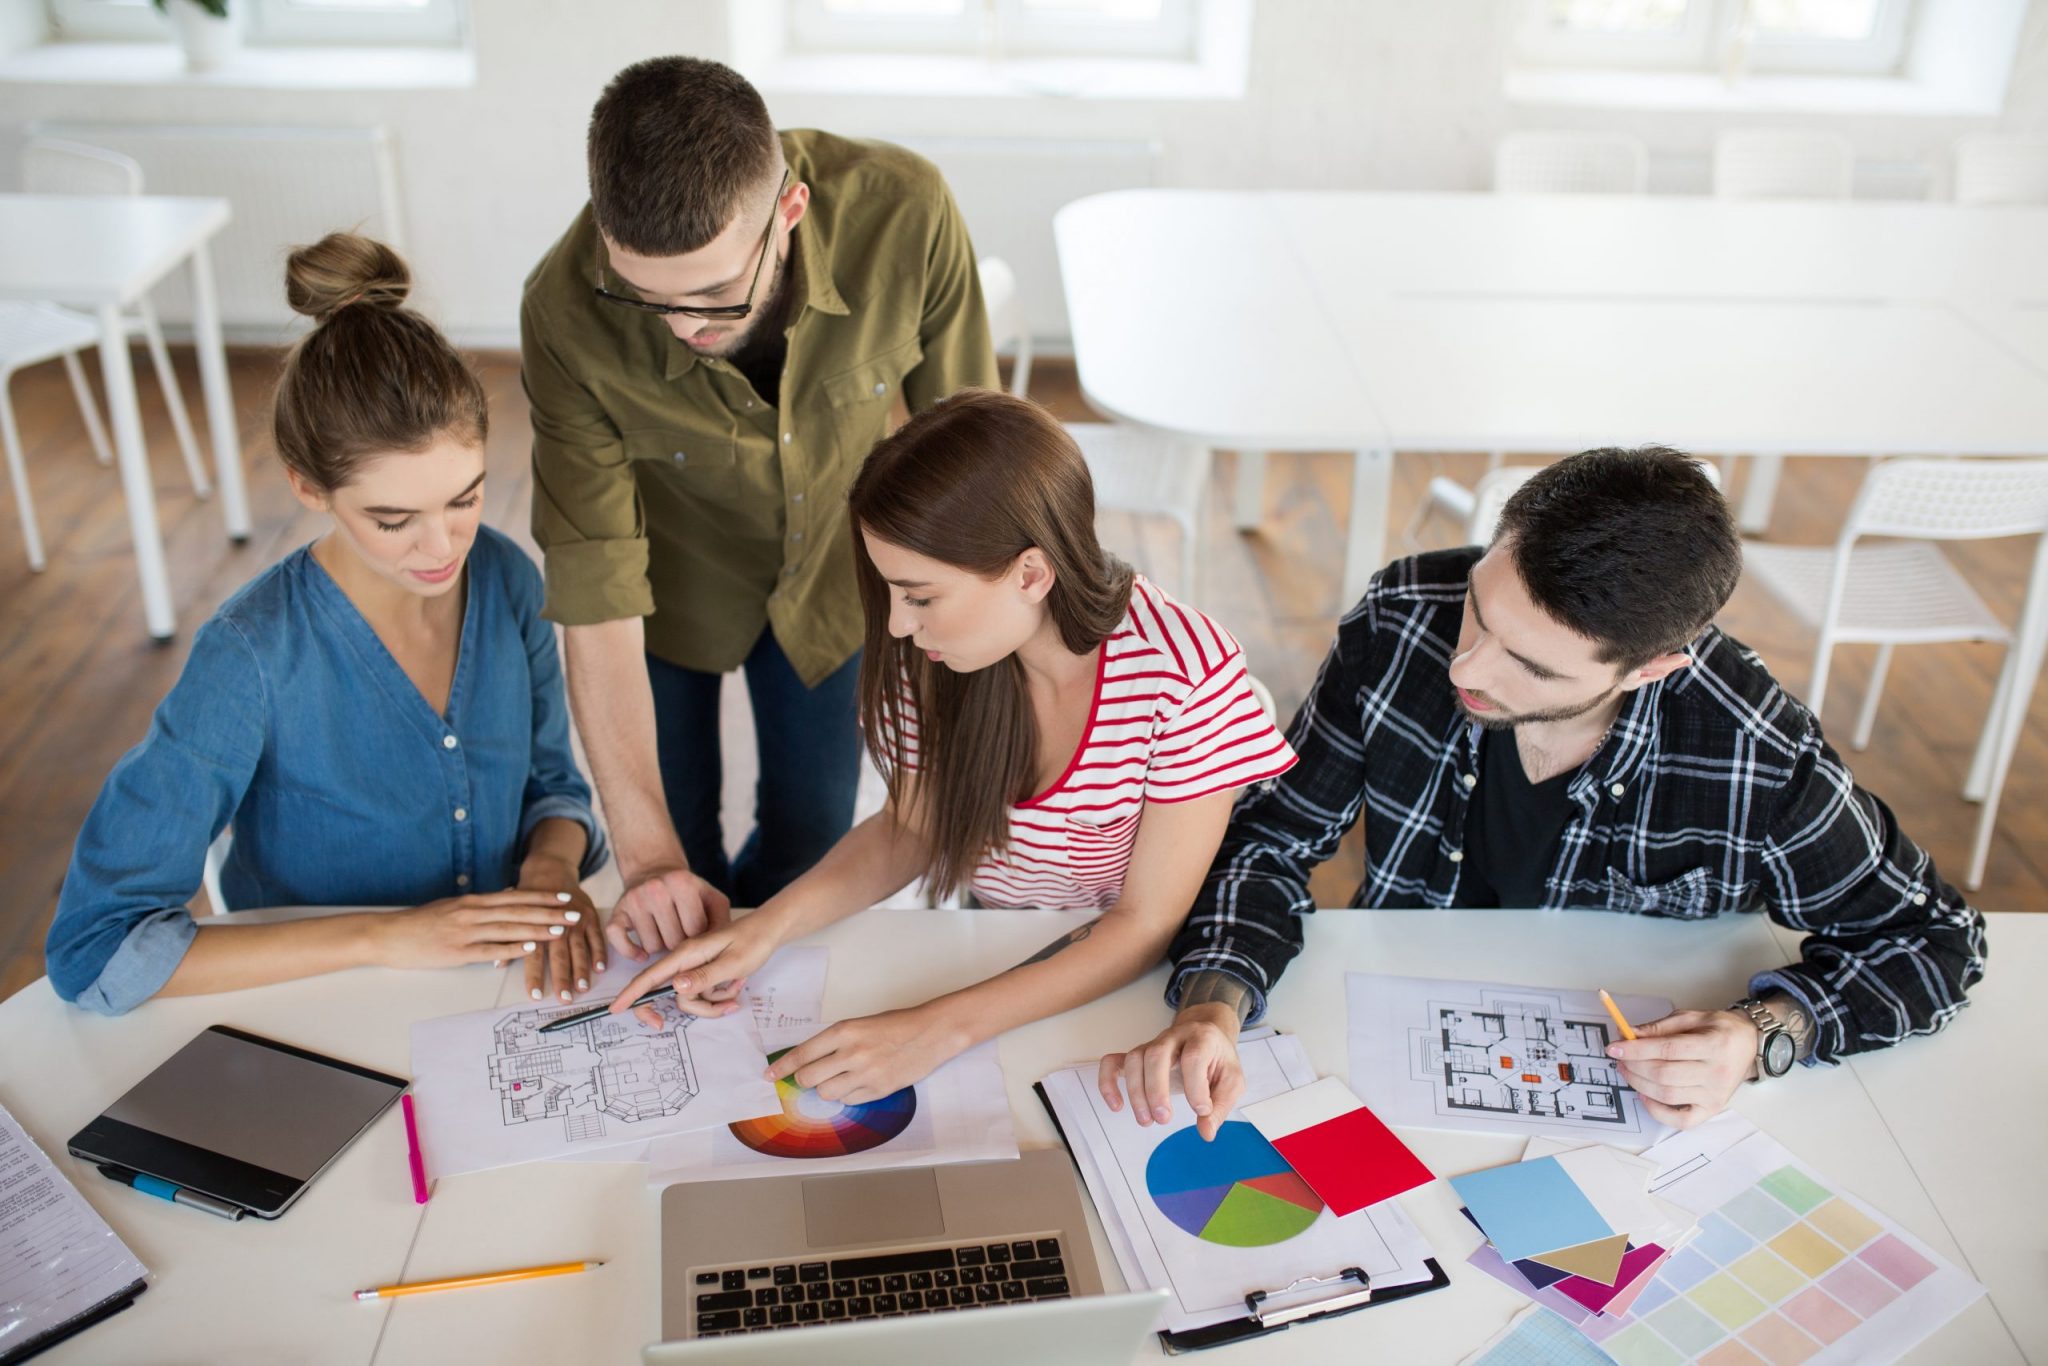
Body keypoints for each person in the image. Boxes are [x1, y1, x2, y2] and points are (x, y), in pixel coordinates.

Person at [1102, 447, 1988, 1137]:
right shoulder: (1405, 614)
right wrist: (1215, 1000)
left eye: (1528, 663)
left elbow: (1937, 941)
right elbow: (1270, 839)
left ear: (1650, 668)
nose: (1467, 666)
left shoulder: (1752, 748)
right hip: (1389, 1036)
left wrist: (1764, 1034)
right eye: (1481, 611)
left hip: (1619, 1108)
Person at [605, 391, 1297, 1102]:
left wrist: (934, 1030)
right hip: (991, 942)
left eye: (921, 597)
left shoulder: (1183, 674)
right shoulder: (944, 656)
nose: (899, 626)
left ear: (1031, 574)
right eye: (891, 592)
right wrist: (766, 929)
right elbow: (910, 826)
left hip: (1134, 988)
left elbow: (1143, 925)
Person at [45, 233, 608, 1016]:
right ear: (309, 487)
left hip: (497, 998)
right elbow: (94, 949)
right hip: (318, 1010)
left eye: (465, 498)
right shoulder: (250, 657)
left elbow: (554, 785)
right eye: (393, 519)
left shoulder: (508, 578)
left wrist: (550, 868)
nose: (443, 547)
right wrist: (386, 937)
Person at [522, 55, 998, 974]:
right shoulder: (563, 309)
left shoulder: (907, 212)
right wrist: (652, 862)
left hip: (831, 582)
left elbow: (975, 459)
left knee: (813, 836)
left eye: (710, 294)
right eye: (644, 295)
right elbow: (595, 596)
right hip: (666, 594)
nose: (680, 327)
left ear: (790, 210)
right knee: (676, 845)